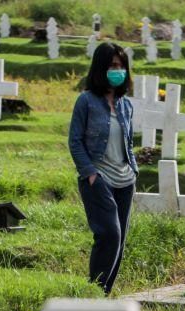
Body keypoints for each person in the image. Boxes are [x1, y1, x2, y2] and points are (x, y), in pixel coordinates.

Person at [67, 42, 138, 296]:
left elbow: (127, 142)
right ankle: (93, 291)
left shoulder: (126, 105)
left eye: (120, 66)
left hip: (125, 180)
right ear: (100, 68)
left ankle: (104, 294)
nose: (117, 70)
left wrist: (134, 170)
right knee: (109, 234)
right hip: (99, 178)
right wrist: (90, 173)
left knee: (119, 241)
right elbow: (74, 140)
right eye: (112, 66)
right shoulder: (86, 101)